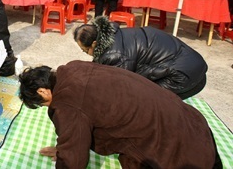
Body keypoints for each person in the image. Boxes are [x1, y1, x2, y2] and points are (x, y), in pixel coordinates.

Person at [18, 61, 221, 168]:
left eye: (42, 105)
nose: (47, 107)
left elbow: (74, 161)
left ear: (42, 92)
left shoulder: (67, 104)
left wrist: (68, 153)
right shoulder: (74, 68)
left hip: (179, 154)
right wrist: (66, 147)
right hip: (194, 125)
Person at [73, 15, 208, 99]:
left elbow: (120, 90)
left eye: (85, 51)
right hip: (189, 61)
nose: (87, 54)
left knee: (148, 101)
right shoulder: (114, 34)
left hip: (184, 74)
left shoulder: (114, 55)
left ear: (95, 43)